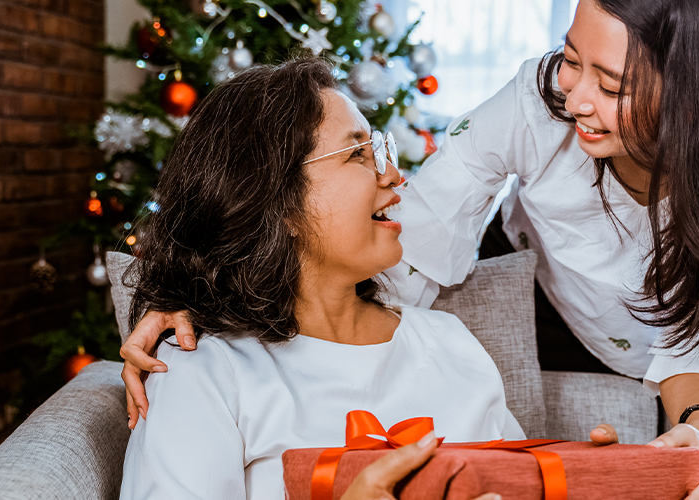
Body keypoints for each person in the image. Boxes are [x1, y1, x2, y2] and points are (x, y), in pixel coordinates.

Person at [121, 1, 699, 499]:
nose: (572, 95)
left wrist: (575, 477)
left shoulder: (450, 351)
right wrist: (194, 295)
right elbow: (420, 224)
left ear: (693, 100)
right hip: (544, 289)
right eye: (571, 60)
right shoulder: (204, 377)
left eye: (610, 85)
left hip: (676, 343)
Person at [119, 59, 548, 499]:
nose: (394, 177)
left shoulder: (450, 342)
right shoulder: (203, 372)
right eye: (357, 154)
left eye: (380, 150)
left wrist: (600, 474)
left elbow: (524, 483)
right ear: (278, 202)